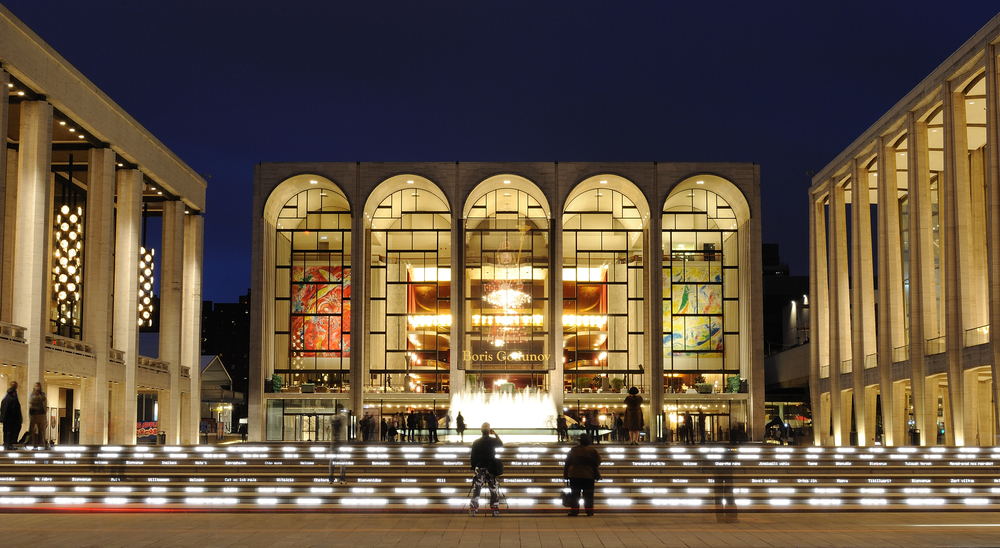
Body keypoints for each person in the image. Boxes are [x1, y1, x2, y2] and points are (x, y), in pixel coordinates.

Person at [469, 422, 503, 517]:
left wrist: (474, 467)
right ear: (489, 431)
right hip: (490, 468)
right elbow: (500, 444)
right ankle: (495, 510)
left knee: (477, 489)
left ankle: (473, 510)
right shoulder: (492, 441)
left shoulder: (476, 442)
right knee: (493, 489)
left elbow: (473, 457)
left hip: (480, 468)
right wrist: (495, 434)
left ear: (481, 431)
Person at [564, 433, 601, 516]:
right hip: (588, 474)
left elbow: (567, 462)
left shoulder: (573, 450)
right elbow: (597, 461)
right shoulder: (592, 451)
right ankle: (589, 511)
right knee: (588, 494)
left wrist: (566, 474)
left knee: (575, 494)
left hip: (574, 474)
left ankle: (574, 511)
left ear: (579, 441)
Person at [1, 381, 22, 450]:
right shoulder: (13, 400)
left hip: (4, 419)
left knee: (5, 432)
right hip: (11, 420)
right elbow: (15, 411)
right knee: (11, 433)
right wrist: (18, 418)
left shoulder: (4, 400)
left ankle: (5, 444)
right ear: (14, 393)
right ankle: (9, 445)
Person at [28, 382, 47, 449]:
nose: (37, 388)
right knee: (33, 430)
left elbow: (44, 400)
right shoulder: (31, 394)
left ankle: (42, 443)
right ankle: (34, 443)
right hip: (34, 414)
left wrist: (39, 395)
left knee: (42, 430)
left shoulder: (42, 394)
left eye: (38, 387)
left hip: (41, 414)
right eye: (36, 386)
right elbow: (30, 401)